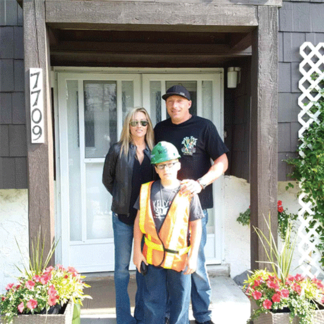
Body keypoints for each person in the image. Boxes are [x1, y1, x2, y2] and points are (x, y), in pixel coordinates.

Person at [154, 85, 229, 324]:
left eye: (179, 101)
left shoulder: (204, 126)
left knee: (195, 261)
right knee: (167, 261)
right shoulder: (160, 129)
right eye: (170, 102)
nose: (174, 105)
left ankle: (203, 315)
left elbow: (222, 161)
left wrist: (201, 183)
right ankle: (171, 314)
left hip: (194, 208)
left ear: (188, 104)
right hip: (165, 208)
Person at [133, 141, 204, 324]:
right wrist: (137, 252)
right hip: (152, 257)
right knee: (152, 302)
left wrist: (193, 256)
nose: (167, 169)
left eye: (171, 164)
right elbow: (138, 222)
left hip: (179, 259)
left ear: (179, 164)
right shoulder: (147, 190)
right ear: (156, 169)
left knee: (180, 304)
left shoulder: (188, 192)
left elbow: (196, 225)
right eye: (162, 165)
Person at [102, 107, 155, 324]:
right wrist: (123, 199)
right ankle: (124, 318)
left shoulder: (155, 150)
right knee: (122, 270)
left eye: (143, 122)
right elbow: (108, 180)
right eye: (134, 122)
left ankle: (142, 316)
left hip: (147, 221)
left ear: (148, 125)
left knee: (143, 268)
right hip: (123, 219)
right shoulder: (117, 150)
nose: (139, 126)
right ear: (128, 125)